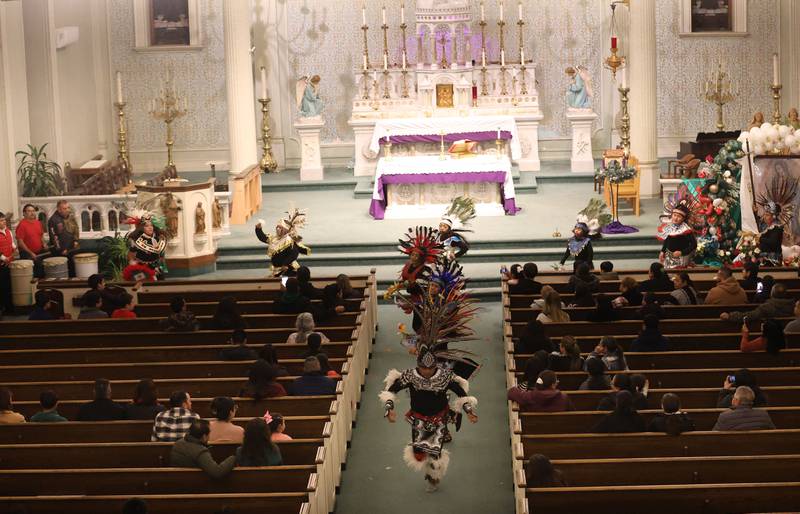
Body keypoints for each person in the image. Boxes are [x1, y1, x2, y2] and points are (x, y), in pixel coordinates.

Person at [380, 344, 478, 492]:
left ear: (435, 366)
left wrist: (469, 411)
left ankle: (433, 478)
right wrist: (389, 409)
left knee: (435, 452)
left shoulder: (445, 376)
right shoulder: (410, 376)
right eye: (423, 368)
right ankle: (429, 468)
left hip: (439, 419)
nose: (426, 371)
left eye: (430, 368)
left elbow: (461, 394)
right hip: (418, 419)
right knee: (419, 454)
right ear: (418, 365)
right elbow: (391, 391)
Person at [169, 419, 236, 478]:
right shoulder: (200, 452)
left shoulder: (178, 443)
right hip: (194, 484)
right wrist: (234, 458)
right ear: (204, 437)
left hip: (178, 481)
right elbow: (217, 472)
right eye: (209, 434)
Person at [754, 174, 795, 265]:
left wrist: (760, 238)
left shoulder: (777, 227)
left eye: (767, 214)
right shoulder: (765, 225)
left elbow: (773, 242)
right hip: (762, 258)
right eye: (764, 214)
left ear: (773, 216)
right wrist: (755, 212)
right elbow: (756, 222)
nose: (764, 216)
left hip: (773, 259)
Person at [255, 209, 310, 276]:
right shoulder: (273, 238)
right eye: (277, 227)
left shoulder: (289, 240)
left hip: (288, 269)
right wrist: (258, 229)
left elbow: (294, 253)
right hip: (277, 269)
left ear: (285, 230)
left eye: (280, 228)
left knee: (287, 283)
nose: (278, 229)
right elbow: (262, 237)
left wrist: (285, 264)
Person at [721, 283, 794, 323]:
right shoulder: (794, 307)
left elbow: (749, 316)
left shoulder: (766, 308)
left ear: (772, 294)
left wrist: (730, 316)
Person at [124, 214, 167, 281]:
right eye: (147, 226)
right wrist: (134, 265)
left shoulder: (158, 239)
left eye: (151, 225)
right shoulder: (136, 240)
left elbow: (161, 256)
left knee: (160, 286)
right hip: (141, 270)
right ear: (141, 228)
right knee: (144, 287)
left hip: (157, 269)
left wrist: (160, 266)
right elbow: (130, 256)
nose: (150, 227)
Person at [657, 199, 697, 269]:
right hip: (669, 257)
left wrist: (682, 252)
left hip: (681, 258)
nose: (676, 218)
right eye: (674, 215)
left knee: (679, 277)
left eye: (679, 216)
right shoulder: (669, 227)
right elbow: (667, 240)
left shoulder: (686, 230)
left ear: (683, 218)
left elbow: (694, 244)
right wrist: (662, 251)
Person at [508, 370, 573, 412]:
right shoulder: (564, 398)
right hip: (560, 431)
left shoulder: (531, 396)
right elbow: (572, 414)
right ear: (553, 385)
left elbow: (512, 392)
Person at [48, 200, 80, 277]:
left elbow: (76, 229)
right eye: (64, 208)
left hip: (72, 248)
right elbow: (54, 236)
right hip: (60, 251)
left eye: (68, 208)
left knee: (73, 270)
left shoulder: (71, 217)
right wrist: (61, 249)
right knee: (62, 272)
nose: (67, 210)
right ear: (59, 210)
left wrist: (76, 240)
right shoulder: (53, 220)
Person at [15, 204, 46, 278]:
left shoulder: (38, 223)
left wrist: (44, 243)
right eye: (29, 211)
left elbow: (41, 235)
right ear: (24, 213)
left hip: (38, 252)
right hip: (27, 254)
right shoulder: (22, 225)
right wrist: (31, 253)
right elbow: (20, 242)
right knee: (32, 275)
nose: (32, 213)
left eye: (33, 211)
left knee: (41, 272)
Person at [0, 212, 15, 315]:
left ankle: (9, 308)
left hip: (9, 263)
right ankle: (2, 308)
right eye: (1, 220)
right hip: (1, 265)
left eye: (4, 220)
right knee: (2, 287)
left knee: (10, 286)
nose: (4, 222)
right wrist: (4, 258)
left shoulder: (8, 231)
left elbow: (12, 244)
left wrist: (14, 250)